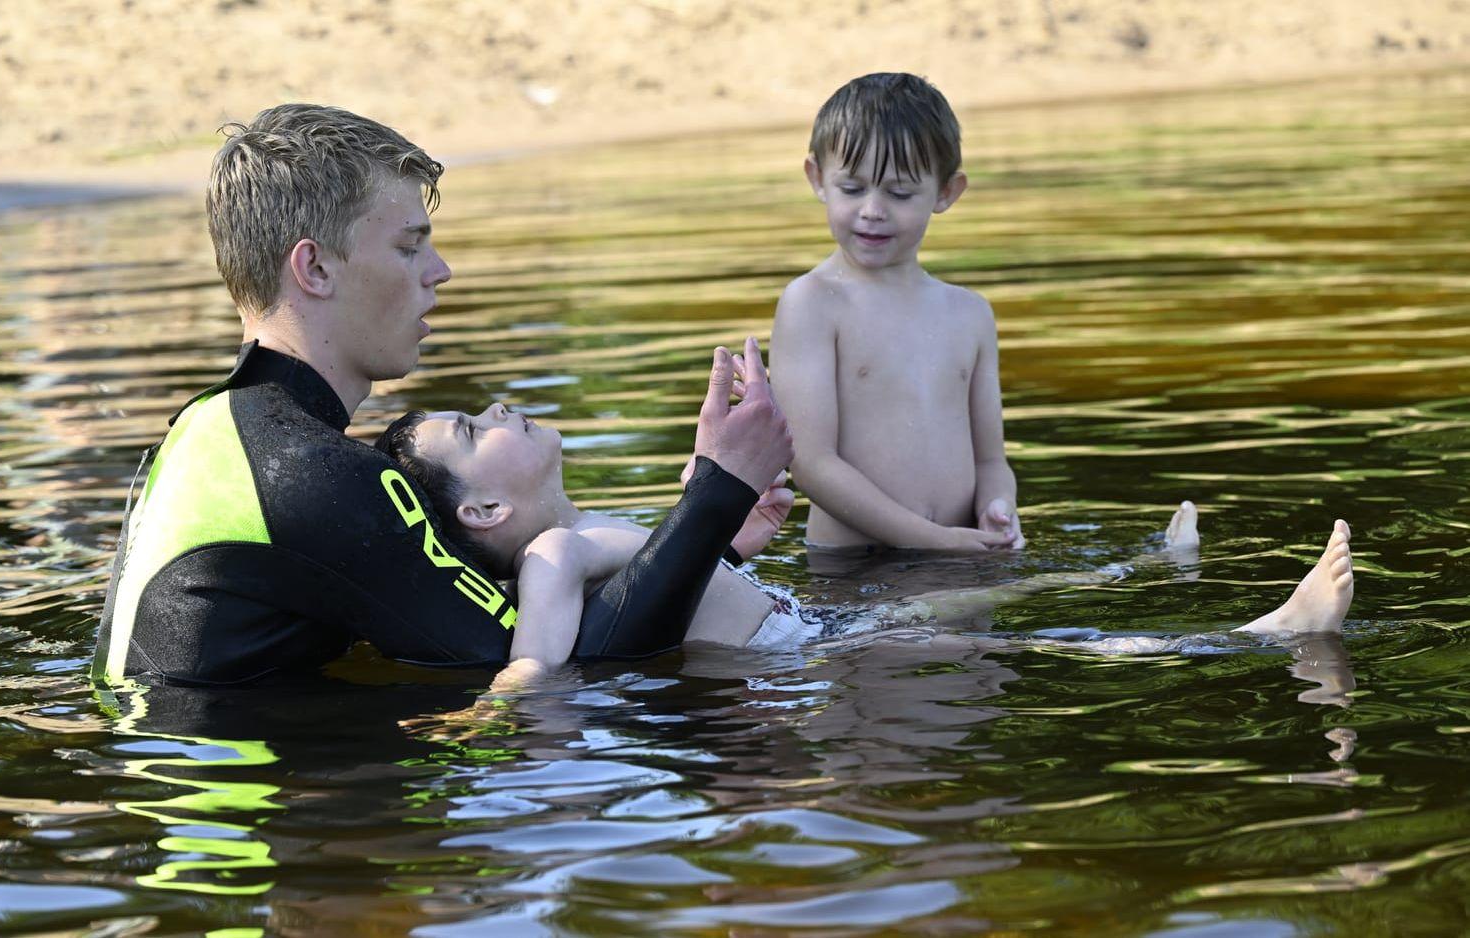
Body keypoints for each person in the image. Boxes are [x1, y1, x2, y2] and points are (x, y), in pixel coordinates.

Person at [93, 103, 793, 687]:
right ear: (313, 267)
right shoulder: (312, 475)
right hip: (270, 846)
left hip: (210, 809)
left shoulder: (205, 433)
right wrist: (716, 493)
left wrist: (711, 549)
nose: (441, 271)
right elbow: (570, 663)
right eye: (408, 247)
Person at [378, 377, 1358, 687]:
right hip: (789, 655)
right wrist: (494, 715)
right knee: (1013, 641)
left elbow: (674, 588)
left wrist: (738, 540)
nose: (502, 409)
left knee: (975, 596)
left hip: (797, 624)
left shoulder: (582, 528)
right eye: (475, 428)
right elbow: (538, 664)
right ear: (484, 512)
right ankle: (1264, 636)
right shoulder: (550, 551)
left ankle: (1137, 561)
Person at [769, 72, 1023, 553]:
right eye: (852, 188)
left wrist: (998, 509)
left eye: (900, 194)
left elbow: (991, 459)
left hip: (959, 556)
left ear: (946, 193)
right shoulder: (813, 302)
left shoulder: (970, 314)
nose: (872, 210)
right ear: (817, 179)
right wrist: (935, 541)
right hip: (853, 571)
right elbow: (811, 463)